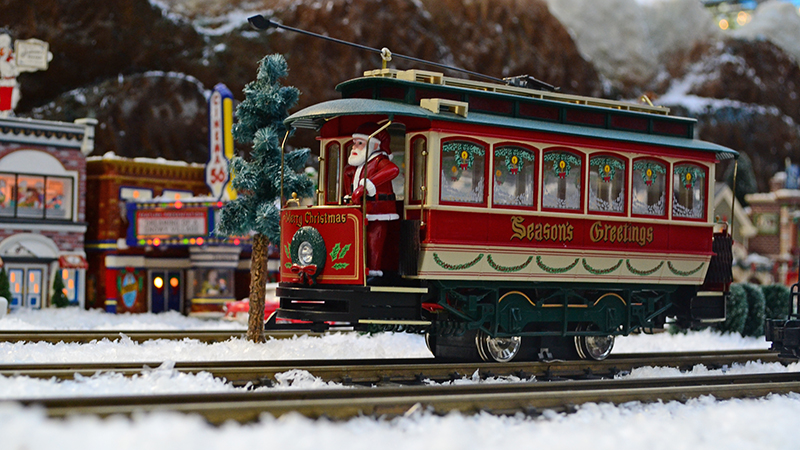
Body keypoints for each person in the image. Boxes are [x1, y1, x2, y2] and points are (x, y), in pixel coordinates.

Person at [343, 122, 400, 277]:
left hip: (379, 209)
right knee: (361, 239)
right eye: (354, 143)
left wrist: (366, 185)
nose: (354, 147)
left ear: (374, 146)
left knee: (375, 239)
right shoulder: (362, 164)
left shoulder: (379, 160)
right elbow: (351, 177)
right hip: (364, 209)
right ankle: (360, 269)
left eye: (360, 143)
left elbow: (393, 169)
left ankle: (374, 270)